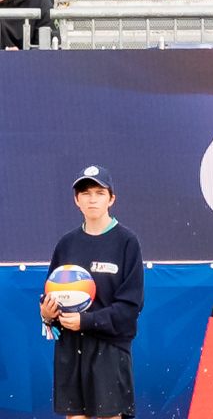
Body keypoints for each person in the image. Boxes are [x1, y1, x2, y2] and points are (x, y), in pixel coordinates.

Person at [40, 166, 142, 419]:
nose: (92, 199)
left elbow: (130, 307)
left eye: (99, 192)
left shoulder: (126, 241)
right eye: (85, 193)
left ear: (112, 198)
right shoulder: (66, 244)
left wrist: (86, 321)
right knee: (75, 417)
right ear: (76, 200)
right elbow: (51, 294)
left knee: (109, 416)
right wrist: (46, 313)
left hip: (109, 346)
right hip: (70, 346)